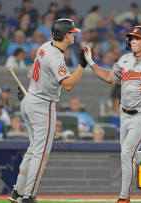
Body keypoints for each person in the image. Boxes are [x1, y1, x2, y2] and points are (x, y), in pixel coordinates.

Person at [83, 25, 141, 203]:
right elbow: (110, 78)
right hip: (124, 114)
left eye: (137, 38)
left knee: (126, 155)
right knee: (129, 153)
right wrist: (91, 63)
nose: (132, 40)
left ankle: (124, 198)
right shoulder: (124, 60)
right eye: (131, 38)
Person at [8, 18, 87, 203]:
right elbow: (68, 85)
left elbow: (36, 75)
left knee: (33, 149)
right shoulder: (55, 56)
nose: (74, 35)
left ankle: (18, 191)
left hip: (30, 99)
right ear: (66, 35)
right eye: (72, 33)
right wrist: (82, 66)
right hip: (42, 104)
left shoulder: (45, 46)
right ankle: (28, 196)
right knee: (40, 153)